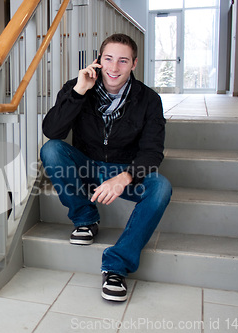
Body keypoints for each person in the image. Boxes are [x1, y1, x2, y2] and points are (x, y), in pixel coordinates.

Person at [40, 33, 172, 302]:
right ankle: (85, 219)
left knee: (161, 187)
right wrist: (79, 92)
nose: (114, 68)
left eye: (123, 61)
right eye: (108, 59)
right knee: (51, 150)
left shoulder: (149, 99)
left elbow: (152, 152)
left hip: (124, 170)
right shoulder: (77, 87)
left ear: (134, 64)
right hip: (86, 166)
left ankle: (116, 266)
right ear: (98, 60)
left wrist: (124, 177)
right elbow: (52, 131)